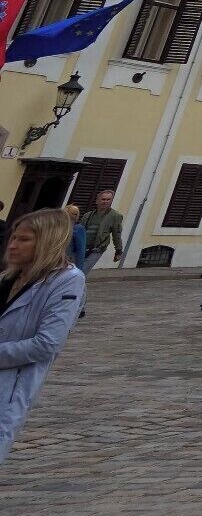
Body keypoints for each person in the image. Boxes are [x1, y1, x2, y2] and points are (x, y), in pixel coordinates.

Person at [0, 208, 86, 461]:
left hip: (10, 384)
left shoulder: (67, 280)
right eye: (13, 238)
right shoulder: (8, 277)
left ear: (47, 241)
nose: (13, 245)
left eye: (24, 239)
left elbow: (47, 343)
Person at [78, 190, 126, 275]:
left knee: (81, 272)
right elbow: (78, 231)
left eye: (108, 199)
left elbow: (117, 235)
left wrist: (118, 251)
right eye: (103, 199)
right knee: (75, 271)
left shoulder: (115, 216)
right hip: (82, 247)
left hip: (97, 249)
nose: (105, 201)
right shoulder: (87, 215)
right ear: (97, 201)